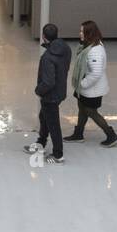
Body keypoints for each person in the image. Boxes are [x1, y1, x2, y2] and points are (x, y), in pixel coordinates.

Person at [65, 20, 117, 147]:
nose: (80, 33)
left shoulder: (95, 51)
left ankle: (111, 135)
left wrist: (82, 84)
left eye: (82, 31)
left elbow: (95, 73)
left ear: (89, 33)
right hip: (85, 88)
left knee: (91, 112)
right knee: (82, 109)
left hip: (91, 89)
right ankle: (78, 134)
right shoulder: (89, 45)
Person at [24, 23, 72, 164]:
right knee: (43, 117)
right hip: (59, 91)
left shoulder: (48, 58)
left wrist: (38, 90)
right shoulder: (66, 49)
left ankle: (58, 154)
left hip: (49, 96)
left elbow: (48, 82)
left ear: (44, 37)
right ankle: (40, 143)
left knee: (53, 124)